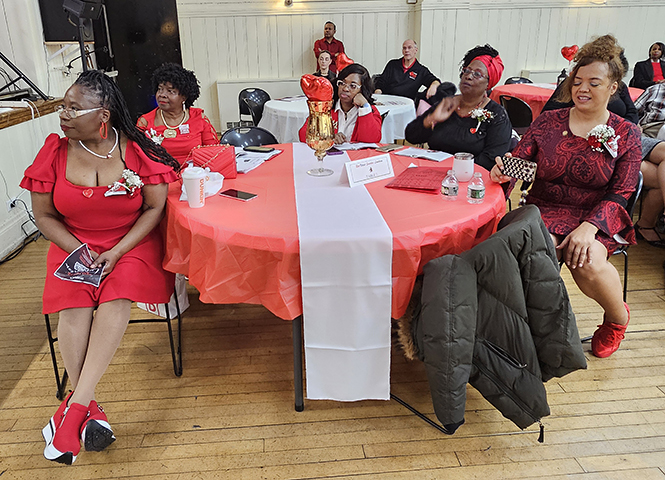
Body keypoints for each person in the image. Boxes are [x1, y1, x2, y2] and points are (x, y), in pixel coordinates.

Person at [21, 70, 179, 464]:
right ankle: (86, 407)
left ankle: (73, 410)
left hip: (130, 244)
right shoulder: (54, 152)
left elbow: (155, 207)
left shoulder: (137, 149)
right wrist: (78, 250)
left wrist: (118, 251)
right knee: (74, 306)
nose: (63, 114)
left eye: (73, 108)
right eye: (63, 106)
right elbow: (44, 217)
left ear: (103, 115)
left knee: (116, 297)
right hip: (73, 244)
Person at [489, 35, 641, 358]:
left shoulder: (627, 133)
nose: (582, 89)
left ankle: (617, 318)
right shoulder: (548, 121)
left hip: (596, 215)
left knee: (586, 260)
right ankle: (533, 328)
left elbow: (623, 191)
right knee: (528, 252)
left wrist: (589, 227)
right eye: (578, 81)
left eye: (594, 83)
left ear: (613, 87)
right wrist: (503, 172)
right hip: (543, 209)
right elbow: (522, 163)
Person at [544, 52, 665, 247]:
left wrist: (623, 130)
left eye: (594, 82)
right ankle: (646, 226)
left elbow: (632, 112)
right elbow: (549, 116)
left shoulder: (619, 86)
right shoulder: (572, 87)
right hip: (592, 141)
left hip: (623, 136)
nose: (584, 87)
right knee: (659, 176)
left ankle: (646, 224)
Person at [404, 44, 512, 171]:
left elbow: (490, 160)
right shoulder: (447, 104)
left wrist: (452, 170)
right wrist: (431, 119)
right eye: (467, 70)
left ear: (488, 84)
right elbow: (411, 136)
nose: (468, 76)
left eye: (477, 74)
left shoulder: (496, 115)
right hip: (433, 171)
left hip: (468, 177)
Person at [137, 63, 218, 165]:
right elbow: (138, 157)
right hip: (160, 173)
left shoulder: (199, 118)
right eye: (160, 89)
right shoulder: (145, 122)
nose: (162, 95)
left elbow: (214, 152)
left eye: (170, 91)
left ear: (184, 97)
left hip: (195, 172)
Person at [298, 63, 382, 144]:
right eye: (342, 83)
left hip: (357, 154)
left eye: (353, 86)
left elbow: (372, 139)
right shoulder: (326, 107)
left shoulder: (370, 111)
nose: (345, 89)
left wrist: (365, 107)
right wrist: (328, 138)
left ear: (362, 89)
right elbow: (303, 134)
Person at [374, 40, 441, 104]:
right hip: (387, 100)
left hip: (406, 104)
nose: (406, 50)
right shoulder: (392, 64)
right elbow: (381, 81)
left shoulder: (421, 70)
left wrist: (434, 85)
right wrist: (377, 93)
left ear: (416, 50)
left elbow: (435, 80)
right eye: (404, 48)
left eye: (409, 48)